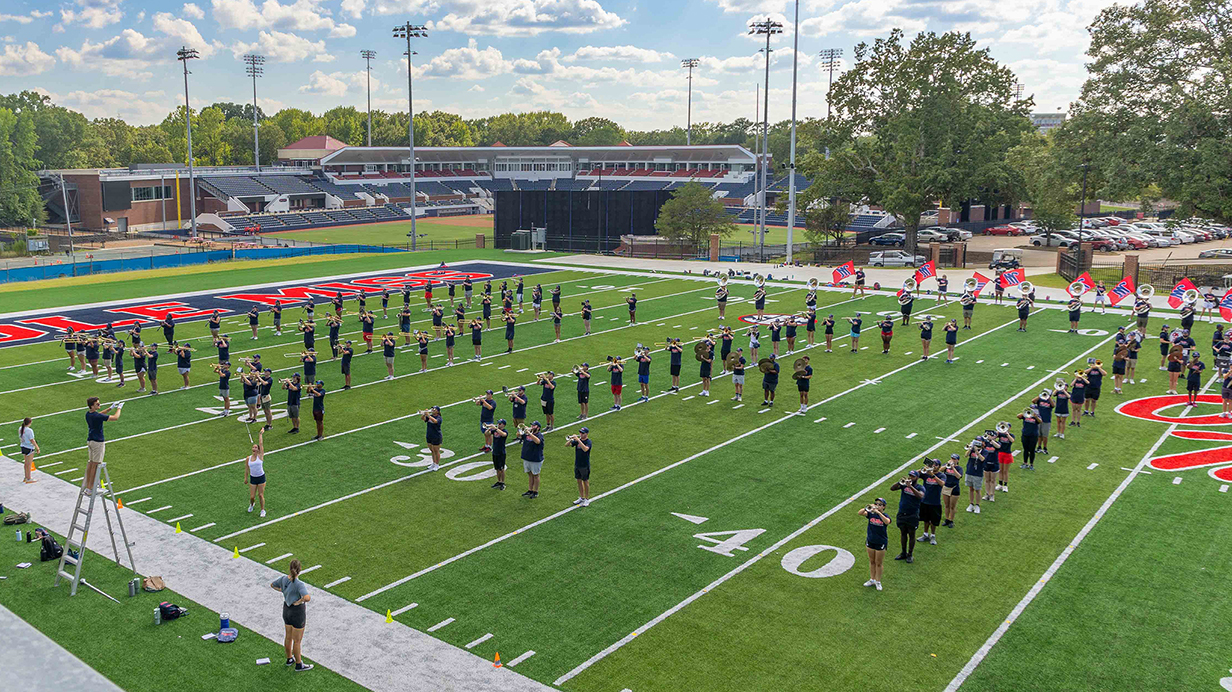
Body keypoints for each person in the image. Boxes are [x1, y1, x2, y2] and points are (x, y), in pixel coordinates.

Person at [270, 560, 313, 673]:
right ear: (300, 570)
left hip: (286, 610)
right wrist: (299, 601)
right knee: (297, 641)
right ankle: (299, 664)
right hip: (297, 613)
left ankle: (289, 659)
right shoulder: (299, 584)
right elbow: (307, 598)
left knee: (288, 637)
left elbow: (272, 585)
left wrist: (284, 591)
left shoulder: (284, 579)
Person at [84, 397, 122, 493]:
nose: (99, 405)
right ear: (92, 406)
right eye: (97, 404)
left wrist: (110, 408)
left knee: (91, 463)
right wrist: (119, 408)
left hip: (91, 440)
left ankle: (88, 485)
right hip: (98, 442)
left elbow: (99, 415)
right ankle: (91, 488)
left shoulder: (89, 414)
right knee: (96, 465)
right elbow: (115, 417)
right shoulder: (96, 416)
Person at [890, 471, 924, 563]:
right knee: (903, 533)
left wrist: (911, 487)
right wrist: (899, 482)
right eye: (909, 476)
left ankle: (910, 554)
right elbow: (892, 488)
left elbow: (920, 496)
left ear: (917, 478)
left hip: (912, 515)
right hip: (902, 513)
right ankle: (903, 552)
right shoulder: (904, 485)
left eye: (912, 476)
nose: (910, 478)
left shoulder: (920, 487)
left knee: (912, 534)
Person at [858, 498, 889, 591]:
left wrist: (879, 513)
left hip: (880, 542)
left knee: (878, 563)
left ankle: (878, 581)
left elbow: (887, 522)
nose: (877, 505)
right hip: (871, 540)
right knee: (872, 561)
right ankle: (872, 579)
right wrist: (867, 508)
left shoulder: (885, 515)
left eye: (880, 504)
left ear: (883, 507)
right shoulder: (871, 514)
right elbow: (860, 513)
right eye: (876, 504)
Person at [918, 461, 945, 546]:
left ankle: (933, 535)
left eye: (936, 465)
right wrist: (924, 468)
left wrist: (932, 475)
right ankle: (925, 534)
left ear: (939, 466)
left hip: (935, 502)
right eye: (932, 464)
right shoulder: (926, 474)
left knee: (933, 521)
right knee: (926, 519)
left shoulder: (941, 475)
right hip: (925, 500)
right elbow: (915, 474)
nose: (934, 466)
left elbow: (942, 484)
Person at [519, 421, 545, 499]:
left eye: (534, 426)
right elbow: (518, 435)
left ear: (538, 428)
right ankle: (530, 490)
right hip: (527, 457)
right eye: (532, 425)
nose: (532, 427)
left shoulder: (539, 435)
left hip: (535, 458)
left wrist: (530, 433)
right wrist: (521, 430)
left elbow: (537, 441)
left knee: (536, 475)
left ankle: (535, 491)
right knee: (530, 474)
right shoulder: (527, 434)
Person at [246, 428, 267, 517]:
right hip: (253, 478)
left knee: (261, 495)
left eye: (256, 447)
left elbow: (261, 444)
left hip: (261, 477)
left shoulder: (260, 456)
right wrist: (246, 478)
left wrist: (260, 434)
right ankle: (252, 504)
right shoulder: (248, 458)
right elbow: (247, 469)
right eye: (253, 447)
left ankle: (262, 510)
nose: (254, 448)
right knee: (252, 497)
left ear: (258, 449)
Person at [569, 428, 592, 507]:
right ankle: (581, 497)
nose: (581, 434)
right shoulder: (578, 440)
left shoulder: (588, 442)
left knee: (585, 481)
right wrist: (571, 439)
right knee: (579, 481)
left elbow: (585, 449)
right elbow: (567, 445)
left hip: (584, 465)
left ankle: (587, 499)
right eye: (580, 433)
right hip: (577, 464)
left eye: (582, 433)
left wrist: (578, 440)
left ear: (586, 434)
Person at [941, 454, 962, 528]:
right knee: (947, 505)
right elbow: (940, 470)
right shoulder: (946, 466)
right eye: (952, 458)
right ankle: (947, 519)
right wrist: (946, 465)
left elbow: (959, 476)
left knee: (952, 506)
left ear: (958, 460)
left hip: (954, 488)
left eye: (955, 459)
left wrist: (953, 468)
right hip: (946, 487)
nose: (953, 460)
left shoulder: (959, 468)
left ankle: (951, 520)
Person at [964, 438, 984, 514]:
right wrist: (970, 448)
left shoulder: (984, 451)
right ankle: (971, 503)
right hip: (970, 471)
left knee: (977, 489)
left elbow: (982, 459)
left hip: (978, 473)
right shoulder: (971, 450)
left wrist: (977, 452)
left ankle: (977, 505)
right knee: (971, 488)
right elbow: (965, 455)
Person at [994, 423, 1015, 494]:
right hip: (1000, 453)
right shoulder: (1000, 434)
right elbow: (993, 437)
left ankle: (1005, 485)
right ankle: (1000, 484)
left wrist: (1007, 434)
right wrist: (997, 432)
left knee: (1005, 471)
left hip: (1007, 454)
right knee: (1000, 470)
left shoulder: (1011, 435)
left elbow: (1012, 440)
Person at [489, 419, 508, 490]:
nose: (498, 424)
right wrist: (489, 428)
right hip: (495, 452)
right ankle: (499, 481)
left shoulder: (504, 431)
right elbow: (486, 434)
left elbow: (503, 435)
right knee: (497, 468)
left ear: (503, 425)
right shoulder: (495, 431)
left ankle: (502, 482)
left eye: (500, 424)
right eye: (498, 423)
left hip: (501, 452)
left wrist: (495, 428)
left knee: (501, 468)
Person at [19, 417, 40, 484]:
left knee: (26, 463)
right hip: (29, 447)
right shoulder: (29, 430)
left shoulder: (20, 428)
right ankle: (29, 478)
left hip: (23, 446)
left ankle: (26, 477)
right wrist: (37, 447)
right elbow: (32, 440)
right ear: (29, 423)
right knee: (29, 464)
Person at [422, 406, 442, 471]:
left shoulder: (439, 418)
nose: (433, 410)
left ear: (438, 411)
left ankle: (437, 464)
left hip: (436, 436)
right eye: (432, 409)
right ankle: (433, 463)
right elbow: (423, 419)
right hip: (429, 435)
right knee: (432, 450)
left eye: (434, 409)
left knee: (436, 451)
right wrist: (424, 414)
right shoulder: (430, 416)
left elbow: (435, 421)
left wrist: (428, 415)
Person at [1032, 390, 1053, 454]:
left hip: (1046, 420)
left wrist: (1048, 397)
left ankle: (1045, 448)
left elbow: (1053, 405)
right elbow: (1033, 401)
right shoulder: (1040, 400)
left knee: (1045, 435)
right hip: (1039, 419)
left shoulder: (1050, 401)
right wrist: (1040, 396)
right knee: (1039, 434)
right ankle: (1039, 447)